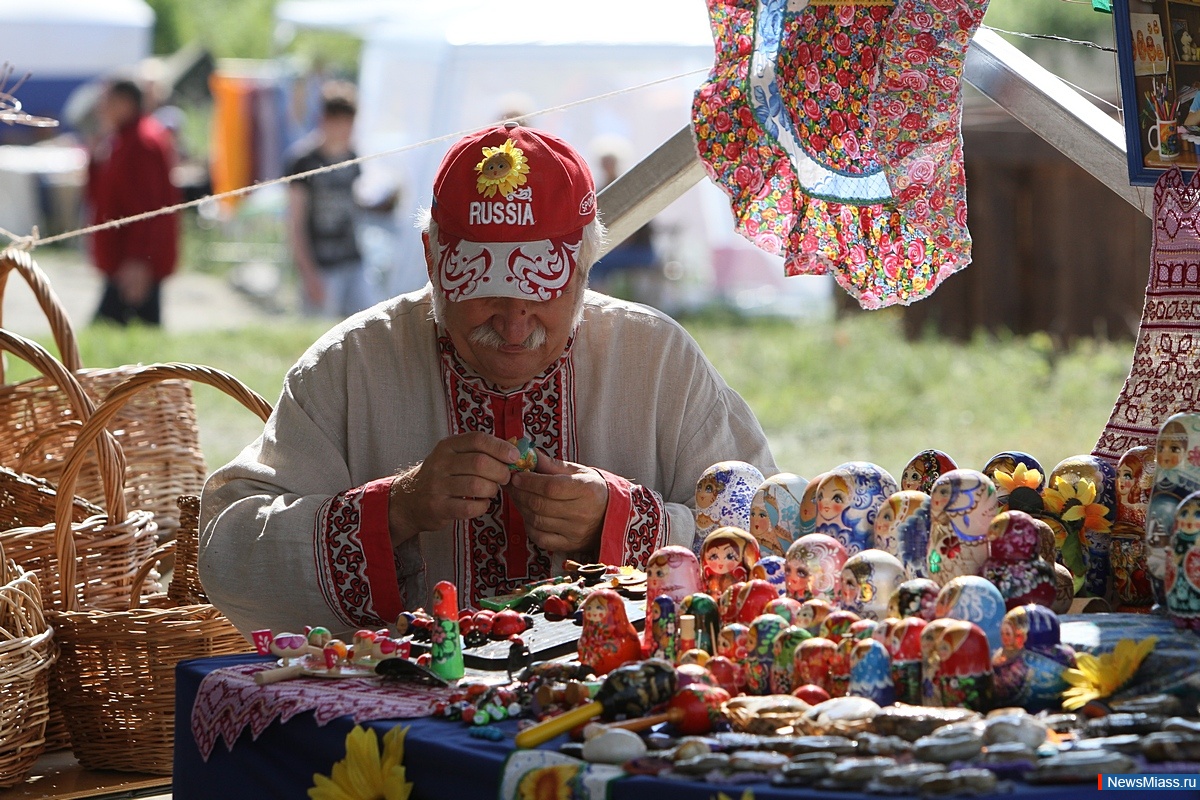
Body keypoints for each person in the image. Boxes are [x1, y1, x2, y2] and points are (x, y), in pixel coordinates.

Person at [199, 123, 777, 637]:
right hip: (405, 724)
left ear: (584, 266)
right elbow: (227, 552)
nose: (514, 321)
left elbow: (776, 533)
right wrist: (396, 508)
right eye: (485, 294)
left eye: (540, 293)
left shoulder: (657, 361)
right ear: (432, 261)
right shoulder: (354, 363)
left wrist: (622, 521)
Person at [86, 78, 180, 326]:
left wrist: (139, 261)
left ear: (125, 103)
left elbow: (150, 208)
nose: (101, 108)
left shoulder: (143, 142)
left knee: (119, 332)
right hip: (121, 257)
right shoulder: (122, 138)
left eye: (107, 101)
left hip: (134, 264)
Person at [284, 80, 373, 318]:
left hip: (353, 261)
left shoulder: (353, 158)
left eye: (349, 124)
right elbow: (295, 222)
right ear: (325, 119)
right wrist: (308, 273)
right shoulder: (303, 162)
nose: (345, 131)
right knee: (319, 338)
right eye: (340, 123)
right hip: (321, 266)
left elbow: (354, 206)